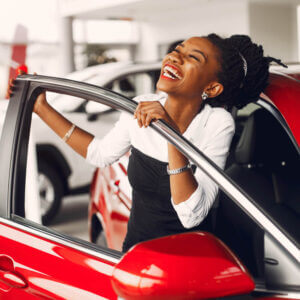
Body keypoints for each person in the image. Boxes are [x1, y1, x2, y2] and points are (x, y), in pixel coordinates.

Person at [7, 34, 286, 253]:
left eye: (192, 57)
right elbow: (99, 154)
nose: (175, 57)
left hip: (192, 267)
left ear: (211, 88)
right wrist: (42, 108)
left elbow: (192, 215)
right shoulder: (140, 105)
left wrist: (170, 133)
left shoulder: (217, 123)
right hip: (136, 257)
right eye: (177, 49)